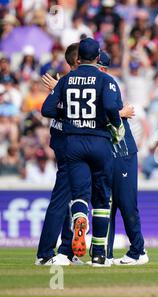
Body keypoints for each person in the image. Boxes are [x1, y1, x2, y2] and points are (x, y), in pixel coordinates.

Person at [41, 38, 124, 267]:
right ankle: (98, 254)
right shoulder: (106, 79)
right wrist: (117, 124)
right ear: (98, 57)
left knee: (78, 195)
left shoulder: (66, 80)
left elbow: (47, 109)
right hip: (99, 142)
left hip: (73, 143)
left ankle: (79, 219)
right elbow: (110, 107)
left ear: (79, 58)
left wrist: (68, 113)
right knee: (101, 198)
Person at [97, 52, 149, 266]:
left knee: (126, 204)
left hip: (122, 151)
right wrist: (121, 112)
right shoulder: (96, 84)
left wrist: (120, 113)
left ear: (102, 68)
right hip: (105, 153)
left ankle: (138, 251)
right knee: (105, 205)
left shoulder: (108, 83)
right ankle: (105, 253)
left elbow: (107, 115)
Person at [35, 43, 83, 266]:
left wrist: (61, 92)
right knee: (62, 198)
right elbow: (48, 111)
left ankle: (67, 250)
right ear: (78, 61)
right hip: (67, 146)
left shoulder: (69, 84)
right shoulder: (67, 83)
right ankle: (45, 254)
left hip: (70, 144)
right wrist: (62, 95)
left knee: (72, 201)